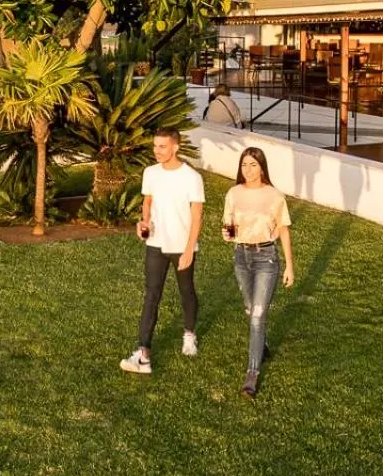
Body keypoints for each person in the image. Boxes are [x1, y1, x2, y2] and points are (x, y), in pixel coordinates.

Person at [120, 129, 204, 375]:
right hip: (155, 243)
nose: (157, 151)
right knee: (151, 294)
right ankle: (143, 353)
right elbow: (148, 202)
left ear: (175, 147)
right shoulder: (151, 173)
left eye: (163, 147)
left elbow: (197, 215)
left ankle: (189, 333)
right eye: (155, 146)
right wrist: (144, 222)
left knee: (186, 290)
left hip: (181, 244)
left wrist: (189, 249)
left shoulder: (191, 177)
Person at [221, 147, 294, 398]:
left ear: (262, 167)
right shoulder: (233, 193)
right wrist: (227, 233)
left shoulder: (274, 196)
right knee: (251, 310)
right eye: (244, 165)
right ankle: (261, 344)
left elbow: (284, 230)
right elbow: (228, 224)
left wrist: (290, 267)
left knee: (257, 315)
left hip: (266, 258)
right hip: (242, 257)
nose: (248, 170)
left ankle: (252, 373)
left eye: (253, 165)